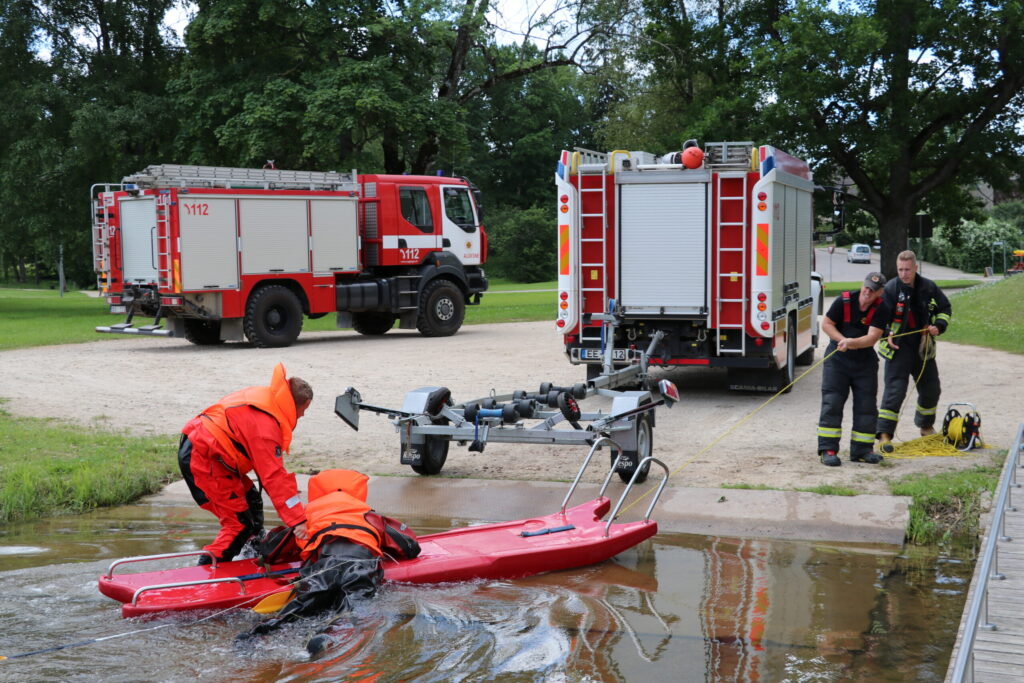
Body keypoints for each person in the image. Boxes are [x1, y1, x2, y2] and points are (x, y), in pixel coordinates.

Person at [238, 469, 420, 655]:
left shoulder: (305, 515)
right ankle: (329, 636)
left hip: (322, 567)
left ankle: (260, 632)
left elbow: (271, 551)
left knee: (303, 605)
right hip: (360, 565)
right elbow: (410, 547)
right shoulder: (369, 515)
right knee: (355, 606)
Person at [178, 363, 310, 564]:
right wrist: (298, 520)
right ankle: (205, 574)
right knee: (239, 525)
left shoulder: (265, 399)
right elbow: (273, 477)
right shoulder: (266, 428)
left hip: (210, 451)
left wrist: (292, 505)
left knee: (251, 503)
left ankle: (251, 554)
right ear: (299, 404)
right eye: (304, 410)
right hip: (204, 459)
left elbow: (270, 472)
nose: (303, 416)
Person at [874, 250, 952, 451]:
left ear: (916, 268)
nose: (903, 274)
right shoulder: (890, 288)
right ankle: (884, 435)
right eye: (900, 269)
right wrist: (888, 332)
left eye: (907, 269)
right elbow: (880, 317)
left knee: (931, 388)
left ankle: (926, 426)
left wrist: (939, 326)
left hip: (922, 346)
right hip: (898, 347)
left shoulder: (928, 287)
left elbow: (945, 308)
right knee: (895, 391)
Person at [816, 272, 888, 466]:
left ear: (880, 292)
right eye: (866, 287)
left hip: (864, 361)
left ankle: (862, 450)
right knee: (832, 402)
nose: (867, 292)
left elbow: (872, 338)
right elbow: (827, 324)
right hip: (837, 360)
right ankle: (828, 450)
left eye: (873, 291)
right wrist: (842, 341)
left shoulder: (882, 308)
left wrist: (851, 342)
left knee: (866, 406)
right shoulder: (844, 301)